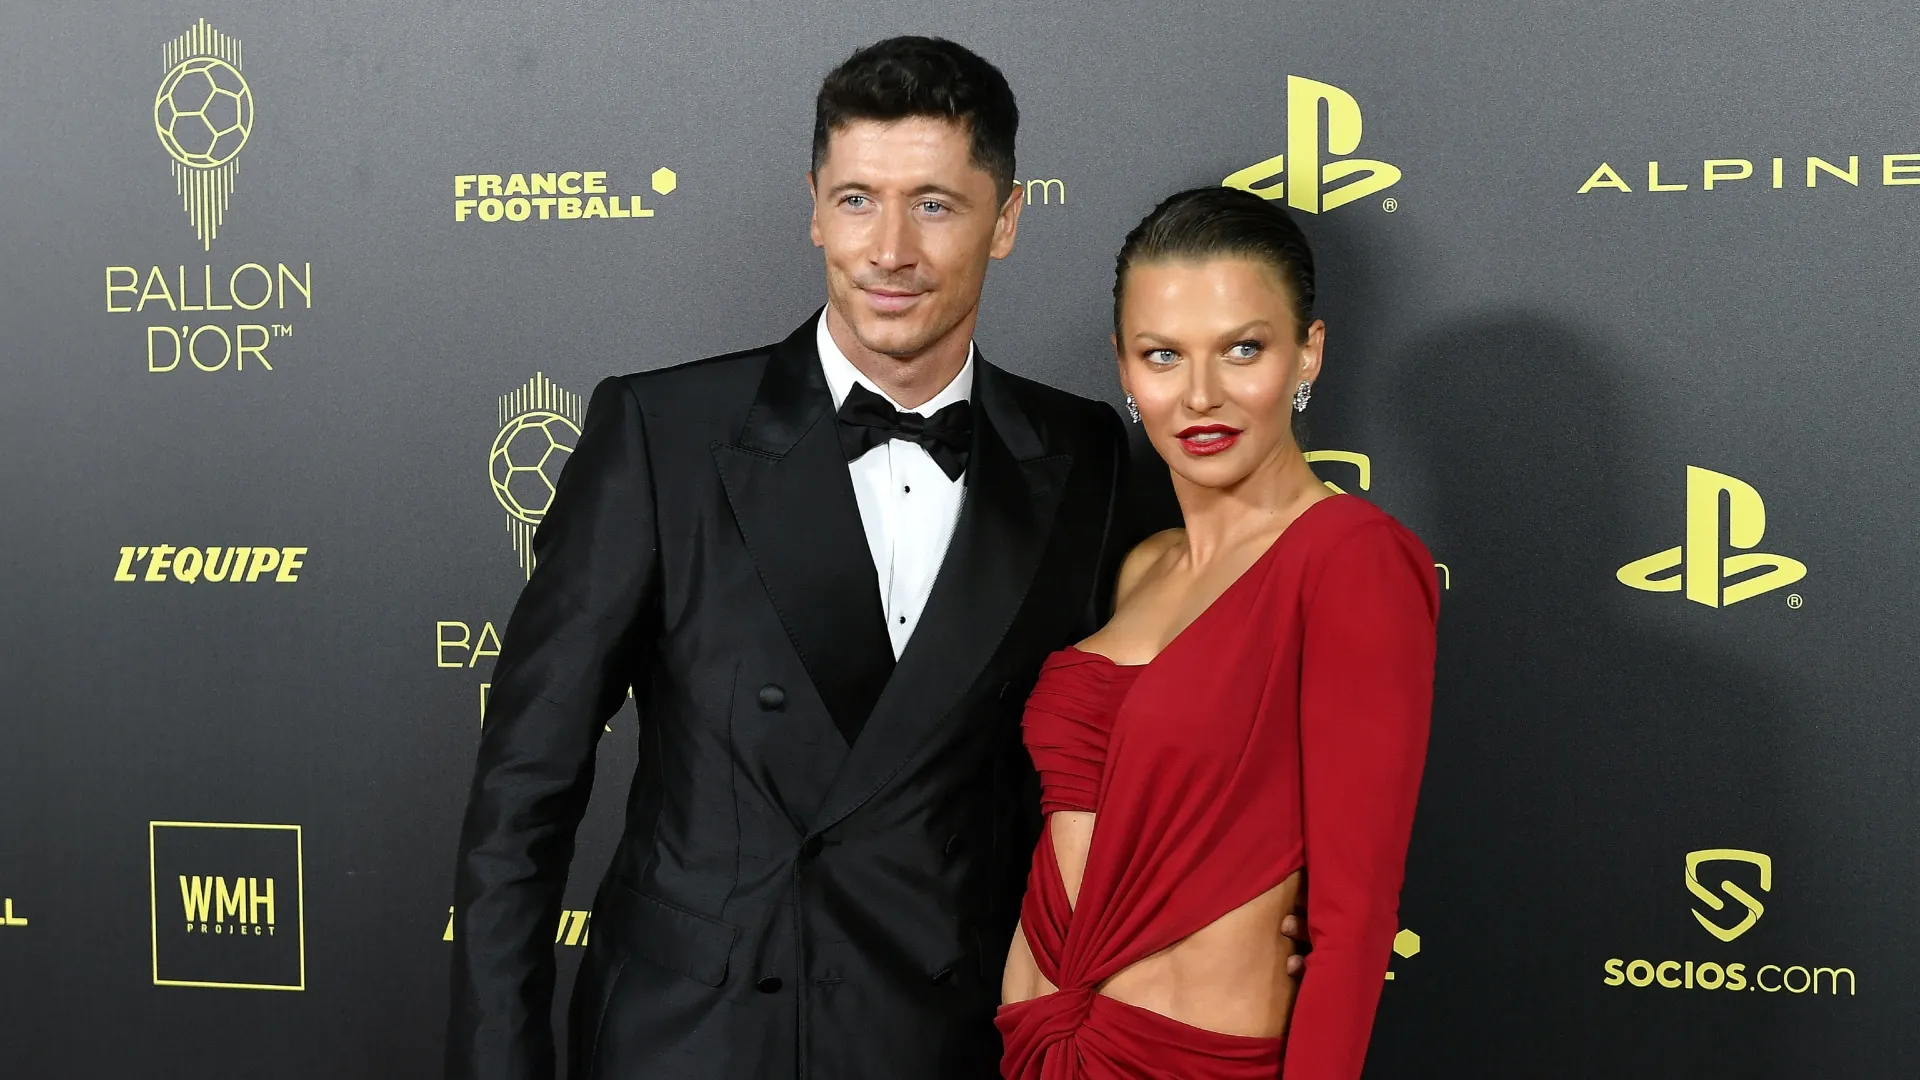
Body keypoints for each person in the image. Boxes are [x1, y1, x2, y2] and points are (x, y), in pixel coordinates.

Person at [447, 37, 1149, 1080]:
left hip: (946, 1042)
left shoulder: (1083, 453)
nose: (890, 249)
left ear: (1005, 220)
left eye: (937, 205)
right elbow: (525, 788)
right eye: (859, 199)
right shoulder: (663, 432)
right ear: (814, 207)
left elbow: (1119, 774)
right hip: (692, 1042)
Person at [996, 187, 1439, 1080]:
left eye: (1244, 348)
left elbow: (1354, 919)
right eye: (1163, 355)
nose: (1201, 395)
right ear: (1125, 370)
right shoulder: (1138, 567)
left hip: (1182, 1060)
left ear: (1307, 352)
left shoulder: (1353, 560)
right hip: (1038, 1043)